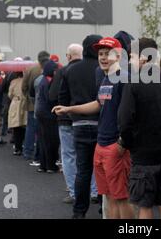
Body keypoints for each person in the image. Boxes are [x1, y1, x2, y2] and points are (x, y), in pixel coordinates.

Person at [54, 37, 134, 219]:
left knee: (121, 197)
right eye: (101, 54)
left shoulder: (125, 79)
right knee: (109, 196)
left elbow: (131, 114)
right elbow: (99, 104)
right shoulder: (106, 78)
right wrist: (69, 109)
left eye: (108, 54)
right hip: (102, 143)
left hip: (116, 146)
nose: (103, 58)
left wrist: (122, 142)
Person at [118, 38, 161, 219]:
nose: (130, 61)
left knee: (145, 205)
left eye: (132, 56)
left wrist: (128, 143)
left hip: (143, 155)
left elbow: (124, 122)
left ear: (143, 58)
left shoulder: (133, 84)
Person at [58, 34, 102, 219]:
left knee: (82, 170)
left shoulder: (70, 70)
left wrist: (73, 113)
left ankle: (79, 211)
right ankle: (103, 208)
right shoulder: (105, 70)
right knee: (104, 170)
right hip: (102, 125)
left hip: (79, 124)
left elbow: (62, 98)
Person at [49, 43, 83, 204]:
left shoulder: (63, 71)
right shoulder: (94, 69)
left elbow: (53, 95)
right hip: (87, 117)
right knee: (86, 156)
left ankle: (74, 192)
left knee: (69, 155)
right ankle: (93, 190)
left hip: (66, 118)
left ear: (68, 56)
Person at [22, 51, 50, 162]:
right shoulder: (51, 68)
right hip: (45, 105)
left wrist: (28, 97)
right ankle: (41, 153)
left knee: (30, 128)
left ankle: (27, 152)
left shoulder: (30, 70)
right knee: (43, 130)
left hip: (31, 103)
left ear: (38, 59)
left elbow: (24, 87)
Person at [35, 61, 60, 173]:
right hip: (48, 113)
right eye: (55, 70)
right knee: (51, 140)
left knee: (43, 139)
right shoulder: (49, 82)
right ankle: (51, 165)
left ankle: (43, 164)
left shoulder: (42, 80)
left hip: (40, 112)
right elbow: (51, 98)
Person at [8, 72, 28, 155]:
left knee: (16, 126)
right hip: (25, 103)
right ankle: (24, 145)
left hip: (16, 103)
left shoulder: (13, 81)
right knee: (24, 126)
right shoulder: (26, 81)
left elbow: (10, 94)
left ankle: (17, 147)